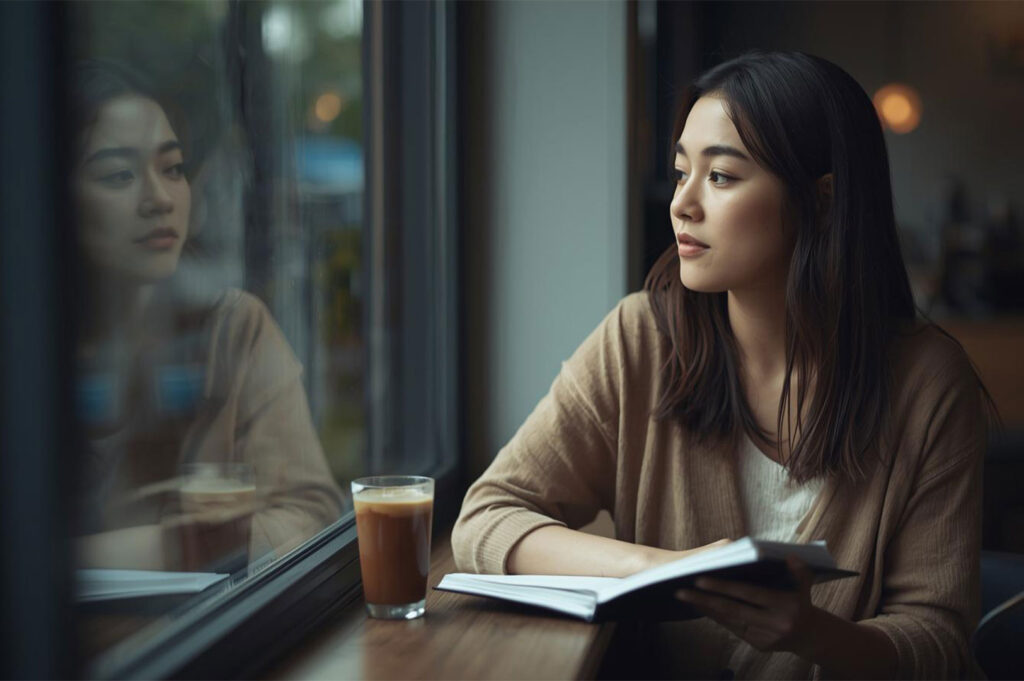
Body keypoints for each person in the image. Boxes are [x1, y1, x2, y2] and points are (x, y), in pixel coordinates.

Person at [451, 51, 997, 679]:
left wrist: (814, 635)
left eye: (721, 177)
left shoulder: (927, 383)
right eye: (681, 172)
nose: (682, 204)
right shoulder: (641, 340)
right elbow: (486, 519)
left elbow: (939, 642)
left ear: (821, 202)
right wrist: (658, 568)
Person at [71, 60, 343, 572]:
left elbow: (311, 514)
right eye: (118, 175)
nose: (158, 198)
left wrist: (154, 549)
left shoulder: (230, 328)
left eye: (172, 169)